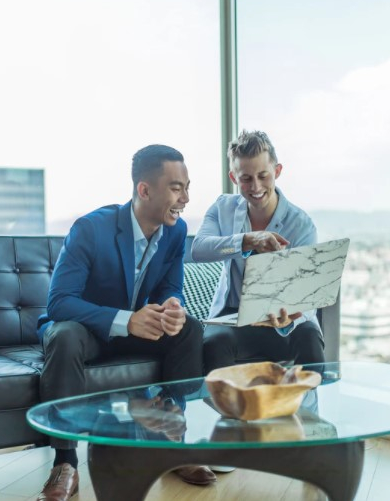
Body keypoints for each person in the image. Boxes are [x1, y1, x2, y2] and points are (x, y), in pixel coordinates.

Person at [35, 144, 214, 501]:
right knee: (65, 337)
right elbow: (59, 302)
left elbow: (170, 287)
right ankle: (65, 463)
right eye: (177, 188)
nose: (186, 198)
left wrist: (172, 307)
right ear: (144, 190)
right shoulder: (90, 228)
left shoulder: (176, 231)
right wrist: (126, 320)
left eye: (187, 186)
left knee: (189, 328)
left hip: (134, 327)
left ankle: (170, 438)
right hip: (86, 328)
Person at [192, 129, 326, 374]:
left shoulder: (301, 224)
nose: (255, 187)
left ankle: (309, 411)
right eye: (246, 178)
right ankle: (226, 412)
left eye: (263, 175)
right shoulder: (222, 208)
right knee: (214, 343)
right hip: (232, 318)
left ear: (277, 171)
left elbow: (308, 294)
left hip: (283, 319)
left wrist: (291, 316)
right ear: (234, 177)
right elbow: (198, 250)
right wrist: (246, 240)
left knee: (309, 337)